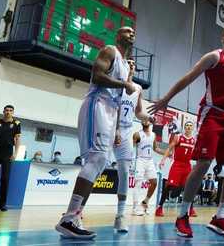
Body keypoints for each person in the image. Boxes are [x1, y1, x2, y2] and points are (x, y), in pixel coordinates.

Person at [148, 26, 224, 242]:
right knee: (203, 163)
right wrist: (167, 98)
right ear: (223, 37)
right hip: (212, 114)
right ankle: (182, 216)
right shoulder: (214, 57)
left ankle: (221, 217)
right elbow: (188, 77)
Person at [55, 26, 142, 239]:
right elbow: (97, 75)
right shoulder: (109, 51)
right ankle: (68, 219)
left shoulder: (124, 64)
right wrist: (124, 83)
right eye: (127, 31)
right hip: (98, 104)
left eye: (133, 32)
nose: (131, 34)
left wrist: (119, 126)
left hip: (111, 111)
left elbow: (122, 99)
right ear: (118, 36)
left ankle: (74, 216)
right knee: (96, 159)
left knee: (100, 162)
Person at [111, 60, 144, 232]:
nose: (131, 64)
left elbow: (138, 112)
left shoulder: (138, 88)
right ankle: (77, 211)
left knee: (124, 172)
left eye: (134, 63)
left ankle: (120, 216)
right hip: (109, 126)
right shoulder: (115, 82)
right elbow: (114, 107)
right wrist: (115, 129)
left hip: (127, 130)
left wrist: (148, 117)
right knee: (95, 167)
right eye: (128, 62)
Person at [156, 121, 197, 218]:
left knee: (189, 188)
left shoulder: (194, 140)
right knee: (169, 186)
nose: (188, 127)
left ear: (192, 128)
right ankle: (159, 207)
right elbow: (169, 148)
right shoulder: (178, 137)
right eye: (187, 125)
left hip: (187, 166)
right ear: (184, 128)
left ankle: (191, 209)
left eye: (190, 126)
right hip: (177, 165)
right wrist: (163, 160)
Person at [131, 118, 165, 216]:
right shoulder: (137, 134)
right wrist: (131, 160)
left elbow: (156, 148)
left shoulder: (153, 135)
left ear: (150, 123)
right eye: (143, 119)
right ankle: (135, 208)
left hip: (150, 161)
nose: (145, 121)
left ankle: (145, 202)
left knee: (154, 182)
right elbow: (132, 147)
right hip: (140, 160)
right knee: (138, 183)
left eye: (147, 120)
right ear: (141, 122)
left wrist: (166, 153)